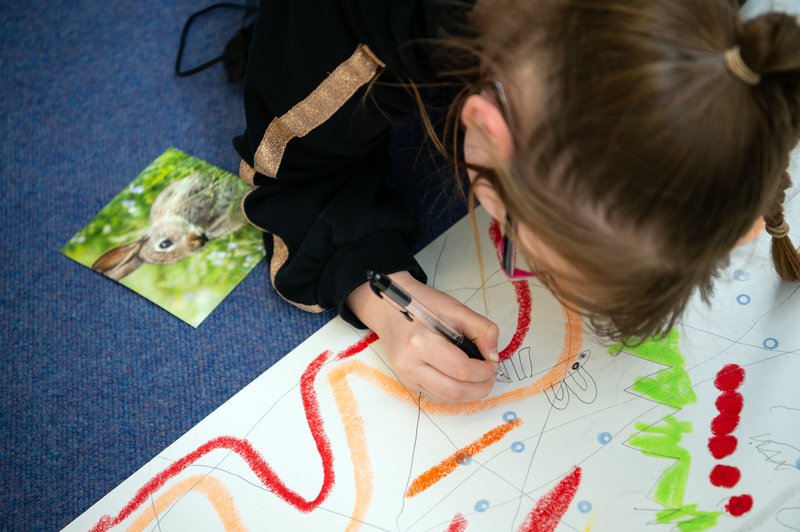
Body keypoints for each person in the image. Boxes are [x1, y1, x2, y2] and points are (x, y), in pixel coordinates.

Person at [234, 0, 800, 404]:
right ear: (483, 126)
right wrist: (375, 288)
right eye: (526, 251)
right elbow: (292, 173)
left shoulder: (711, 49)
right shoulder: (364, 32)